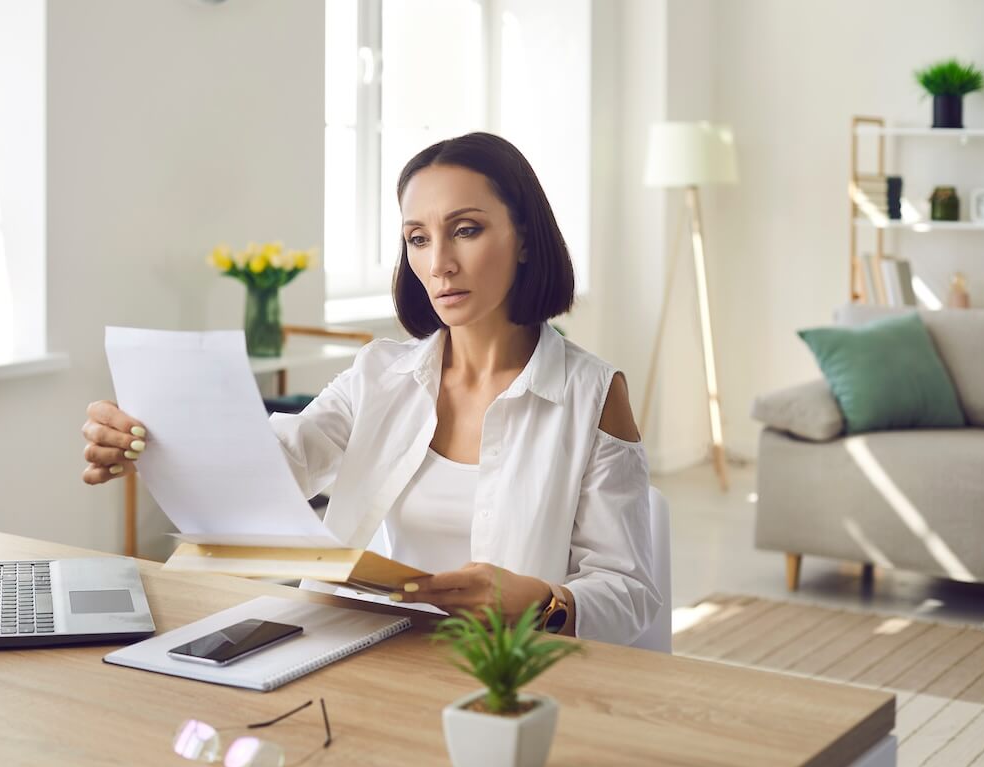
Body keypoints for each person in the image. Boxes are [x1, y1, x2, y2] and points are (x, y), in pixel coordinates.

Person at [81, 132, 660, 643]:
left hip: (504, 674)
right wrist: (153, 439)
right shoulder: (378, 374)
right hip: (362, 645)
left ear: (526, 238)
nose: (440, 264)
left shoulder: (591, 393)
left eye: (466, 230)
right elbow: (278, 463)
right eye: (418, 238)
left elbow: (629, 591)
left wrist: (540, 603)